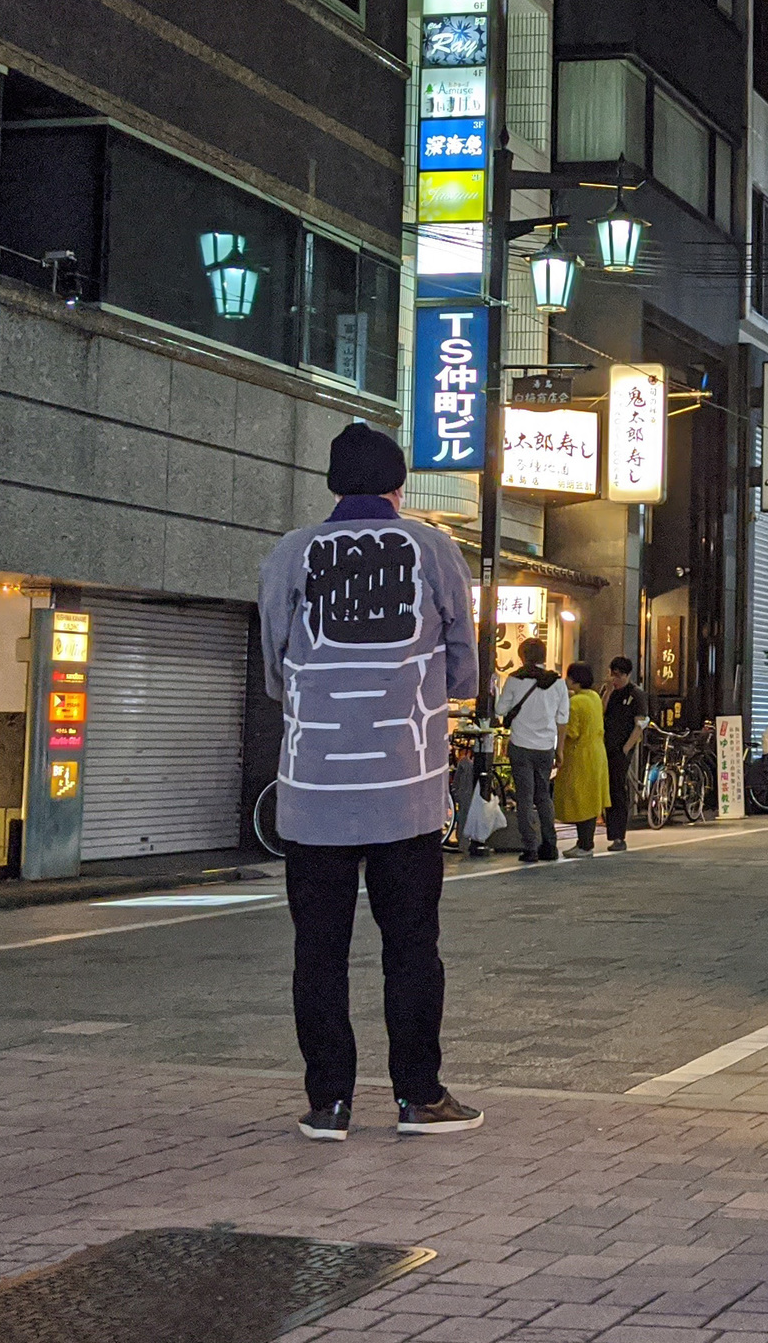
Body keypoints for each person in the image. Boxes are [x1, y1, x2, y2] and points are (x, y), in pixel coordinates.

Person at [258, 421, 484, 1142]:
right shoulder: (432, 548)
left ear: (331, 485)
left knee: (317, 951)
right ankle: (419, 1097)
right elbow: (462, 657)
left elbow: (274, 659)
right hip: (406, 789)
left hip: (313, 791)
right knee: (412, 946)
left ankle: (327, 1104)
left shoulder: (292, 553)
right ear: (398, 486)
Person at [494, 638, 569, 864]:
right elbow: (563, 718)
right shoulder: (558, 682)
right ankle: (550, 845)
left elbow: (500, 709)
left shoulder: (515, 680)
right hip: (546, 746)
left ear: (523, 656)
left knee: (525, 797)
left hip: (521, 746)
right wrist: (560, 750)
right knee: (543, 795)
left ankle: (530, 847)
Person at [560, 660, 612, 855]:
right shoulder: (594, 698)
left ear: (574, 680)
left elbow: (571, 732)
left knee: (579, 798)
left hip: (580, 755)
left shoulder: (575, 702)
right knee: (590, 799)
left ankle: (585, 844)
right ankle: (584, 842)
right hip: (597, 753)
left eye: (569, 676)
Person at [600, 655, 646, 852]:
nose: (615, 679)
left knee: (618, 789)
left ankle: (619, 836)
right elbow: (599, 713)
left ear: (628, 675)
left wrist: (627, 748)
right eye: (612, 675)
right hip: (603, 746)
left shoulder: (636, 694)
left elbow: (640, 724)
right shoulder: (607, 691)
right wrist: (608, 692)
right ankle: (611, 832)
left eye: (618, 676)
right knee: (608, 789)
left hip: (621, 748)